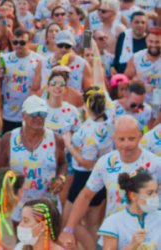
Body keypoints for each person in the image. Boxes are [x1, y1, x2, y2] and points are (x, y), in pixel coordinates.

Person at [60, 115, 161, 249]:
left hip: (147, 240)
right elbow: (85, 195)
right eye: (121, 139)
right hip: (112, 238)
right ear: (114, 139)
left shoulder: (155, 164)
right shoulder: (106, 163)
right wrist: (68, 229)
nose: (126, 144)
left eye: (131, 138)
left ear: (140, 136)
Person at [0, 95, 67, 228]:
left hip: (47, 204)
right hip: (20, 205)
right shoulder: (9, 138)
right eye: (33, 113)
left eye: (42, 114)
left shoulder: (56, 139)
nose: (38, 117)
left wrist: (61, 178)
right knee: (23, 244)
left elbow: (62, 163)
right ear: (23, 115)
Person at [62, 88, 114, 250]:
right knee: (93, 221)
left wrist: (68, 144)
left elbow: (86, 163)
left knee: (69, 222)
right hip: (103, 174)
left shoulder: (90, 130)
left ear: (86, 105)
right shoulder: (110, 118)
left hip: (85, 177)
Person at [98, 171, 161, 249]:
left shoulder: (159, 218)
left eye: (156, 192)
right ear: (133, 195)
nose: (155, 197)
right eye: (150, 193)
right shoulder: (113, 222)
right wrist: (132, 245)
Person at [0, 28, 43, 133]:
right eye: (15, 42)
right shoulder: (4, 59)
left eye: (22, 42)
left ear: (29, 42)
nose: (18, 45)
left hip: (29, 113)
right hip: (8, 113)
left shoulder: (39, 60)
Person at [125, 27, 161, 106]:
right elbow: (126, 80)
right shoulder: (136, 58)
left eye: (157, 42)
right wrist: (134, 83)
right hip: (142, 105)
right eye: (151, 41)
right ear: (146, 41)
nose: (154, 45)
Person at [44, 70, 80, 136]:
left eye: (61, 84)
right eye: (53, 83)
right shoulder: (39, 107)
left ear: (65, 89)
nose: (57, 86)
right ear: (47, 87)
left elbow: (78, 136)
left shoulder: (72, 111)